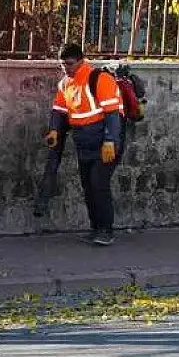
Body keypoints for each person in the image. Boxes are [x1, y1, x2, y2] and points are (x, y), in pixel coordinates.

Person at [45, 43, 123, 245]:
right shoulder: (64, 84)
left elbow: (113, 115)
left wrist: (110, 141)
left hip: (104, 142)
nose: (66, 69)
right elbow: (59, 110)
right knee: (88, 186)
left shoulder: (99, 79)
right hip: (84, 144)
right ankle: (96, 228)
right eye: (62, 65)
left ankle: (106, 231)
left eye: (69, 64)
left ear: (81, 61)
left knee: (99, 184)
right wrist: (54, 129)